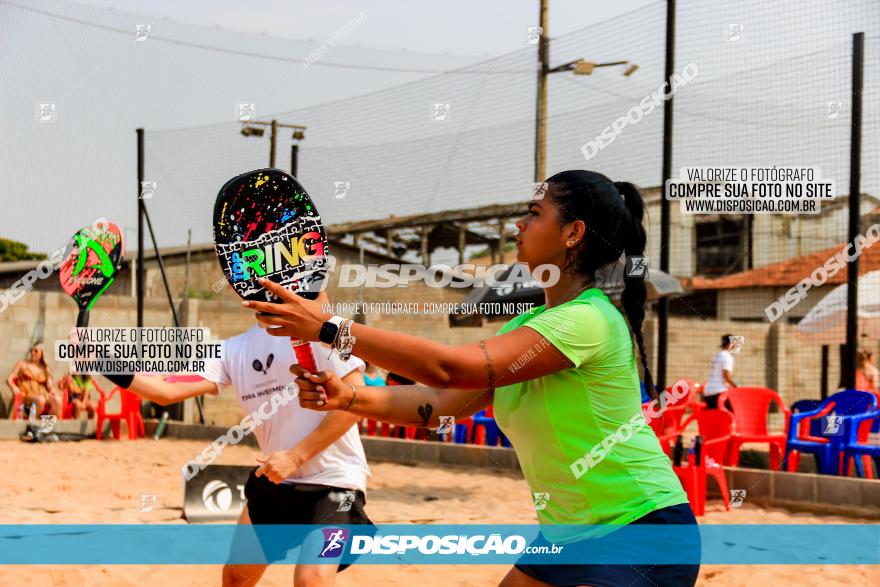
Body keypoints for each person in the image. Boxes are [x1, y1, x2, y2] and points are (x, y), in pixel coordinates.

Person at [245, 170, 700, 587]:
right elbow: (440, 405)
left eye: (534, 213)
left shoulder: (588, 320)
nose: (518, 225)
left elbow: (450, 367)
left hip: (640, 528)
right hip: (567, 534)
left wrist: (329, 328)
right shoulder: (526, 327)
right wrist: (348, 398)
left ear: (573, 233)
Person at [100, 292, 373, 587]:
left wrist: (296, 456)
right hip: (278, 482)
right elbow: (164, 390)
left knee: (311, 581)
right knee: (235, 579)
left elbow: (358, 403)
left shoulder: (320, 328)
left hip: (336, 484)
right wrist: (100, 359)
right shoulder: (232, 350)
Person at [6, 342, 62, 419]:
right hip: (26, 393)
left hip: (42, 393)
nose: (32, 353)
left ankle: (46, 428)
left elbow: (49, 387)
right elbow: (9, 378)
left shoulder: (44, 367)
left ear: (42, 353)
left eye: (36, 351)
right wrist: (13, 387)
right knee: (40, 400)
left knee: (57, 400)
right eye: (31, 350)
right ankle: (32, 424)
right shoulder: (23, 364)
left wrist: (48, 372)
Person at [704, 334, 738, 409]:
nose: (735, 346)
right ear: (729, 344)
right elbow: (726, 376)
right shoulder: (728, 357)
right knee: (734, 411)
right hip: (718, 393)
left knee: (714, 418)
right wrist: (737, 387)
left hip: (708, 392)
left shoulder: (719, 355)